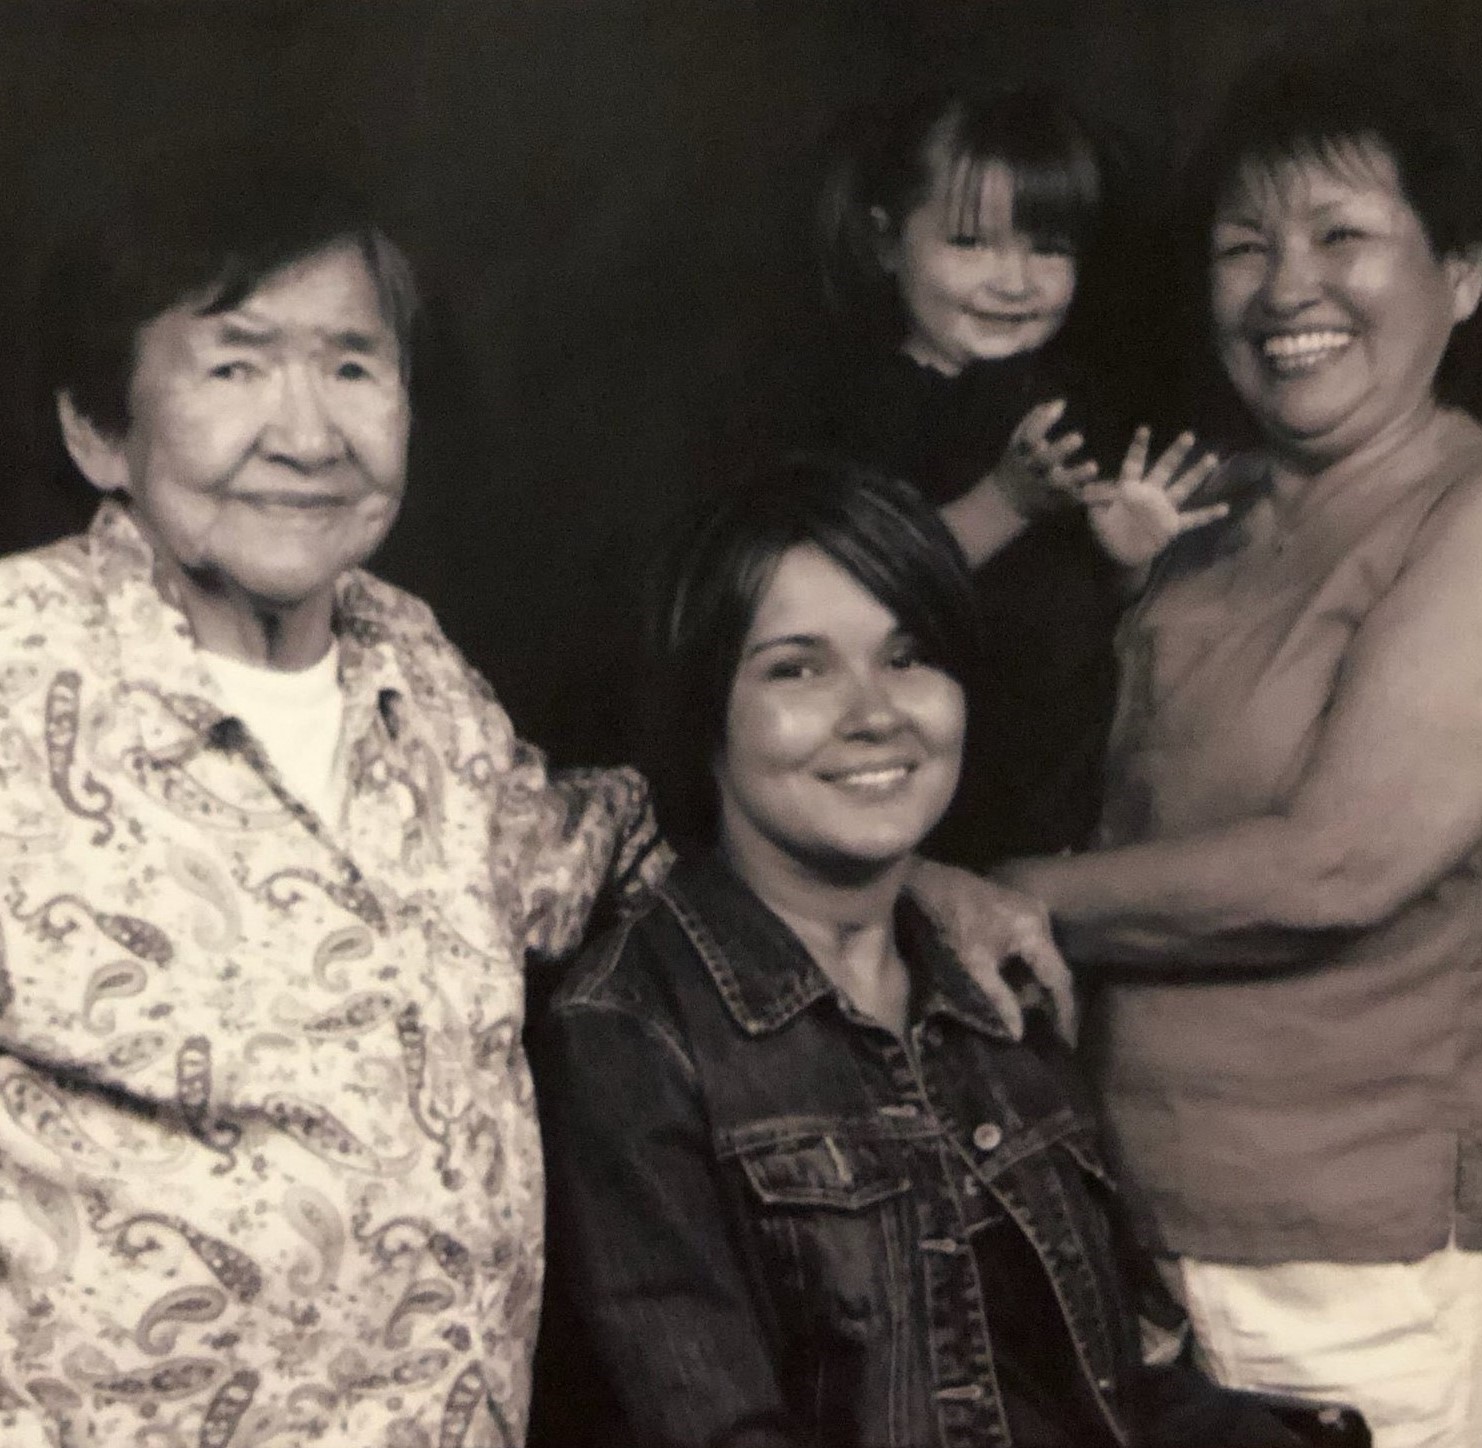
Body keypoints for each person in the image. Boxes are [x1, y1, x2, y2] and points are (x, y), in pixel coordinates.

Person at [0, 147, 1070, 1448]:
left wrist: (918, 878)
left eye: (351, 365)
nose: (307, 431)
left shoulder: (418, 672)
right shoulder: (20, 666)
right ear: (96, 430)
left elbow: (610, 853)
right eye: (234, 366)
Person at [531, 457, 1329, 1448]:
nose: (874, 710)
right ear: (706, 710)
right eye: (797, 666)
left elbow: (1112, 1382)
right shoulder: (631, 1029)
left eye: (909, 654)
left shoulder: (995, 980)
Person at [995, 36, 1482, 1447]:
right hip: (1123, 1235)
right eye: (1240, 246)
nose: (1285, 289)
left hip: (1345, 1264)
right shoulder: (1191, 502)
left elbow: (1337, 863)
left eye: (1341, 234)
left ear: (1458, 273)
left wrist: (999, 891)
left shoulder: (1462, 518)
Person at [811, 81, 1224, 868]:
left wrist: (1123, 558)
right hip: (930, 808)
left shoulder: (1066, 399)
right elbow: (857, 594)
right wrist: (1005, 501)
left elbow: (1075, 597)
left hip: (1064, 798)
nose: (1015, 280)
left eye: (1047, 248)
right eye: (970, 243)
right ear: (886, 242)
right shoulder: (867, 407)